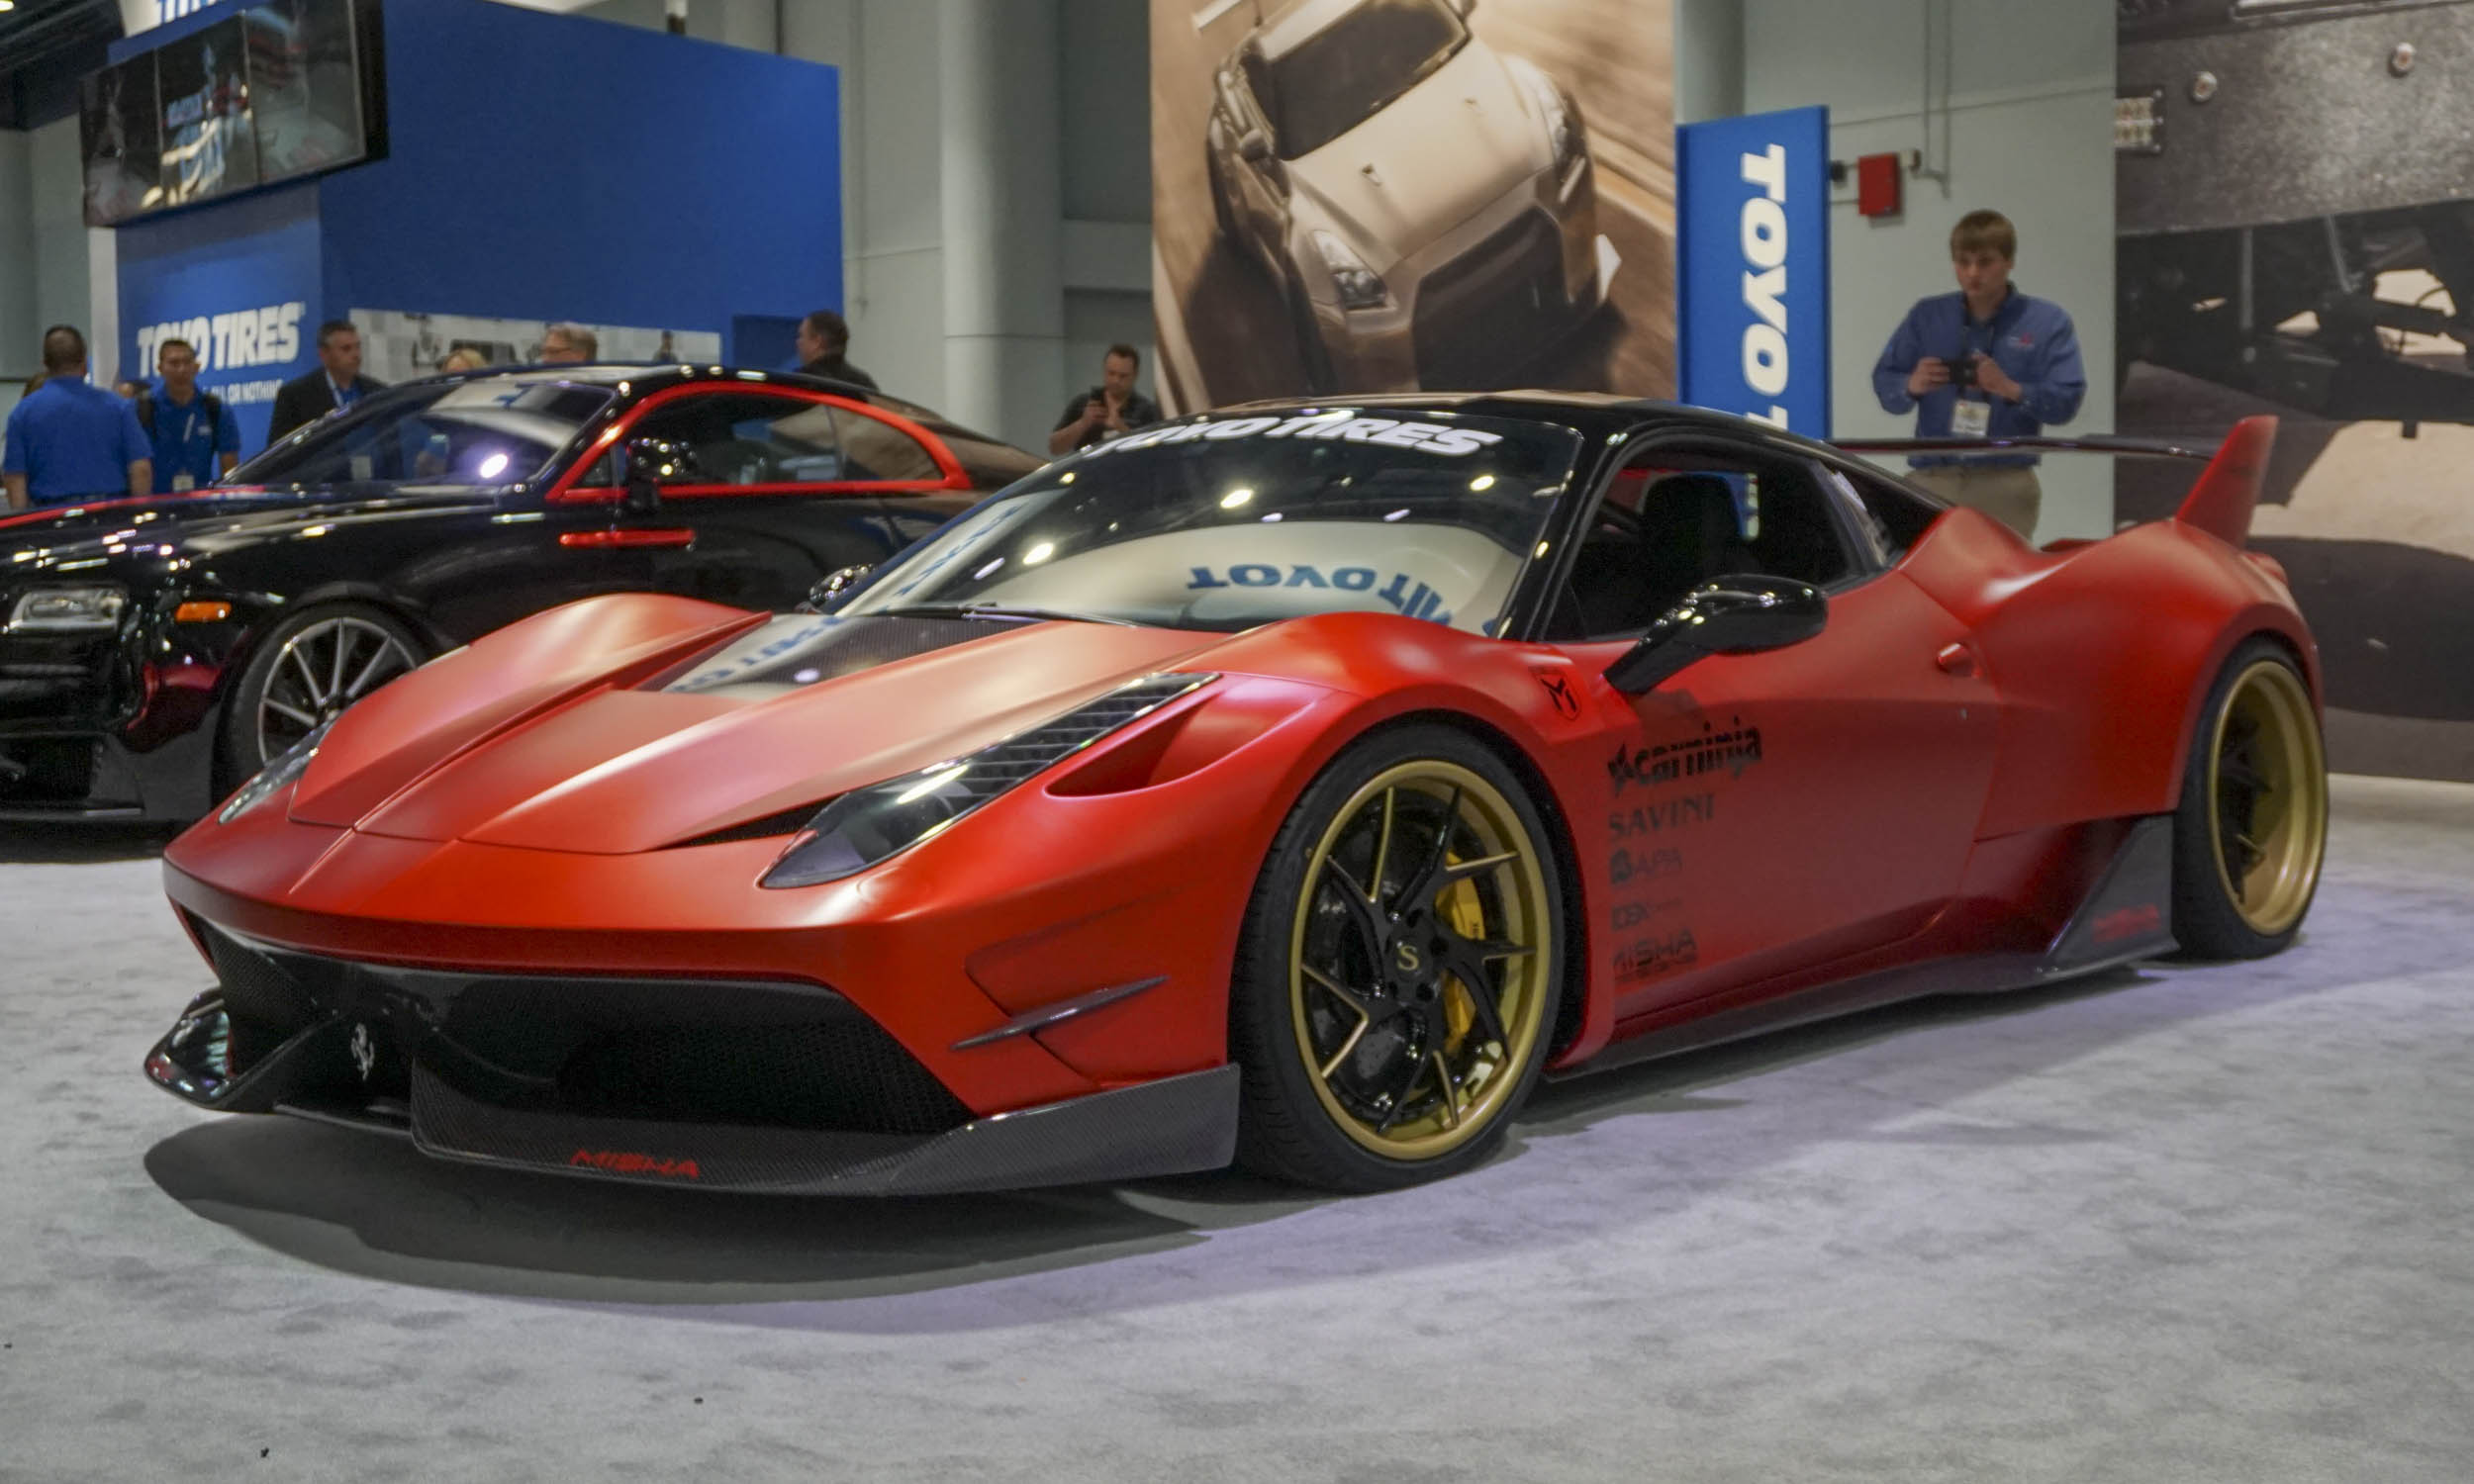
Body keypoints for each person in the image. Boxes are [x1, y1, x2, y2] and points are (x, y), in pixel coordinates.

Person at [1871, 210, 2086, 539]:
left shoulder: (2047, 321)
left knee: (1999, 571)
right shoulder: (1927, 316)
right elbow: (1886, 384)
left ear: (2009, 262)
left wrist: (2011, 389)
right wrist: (1910, 385)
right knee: (1922, 569)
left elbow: (2066, 402)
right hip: (1932, 479)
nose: (1972, 273)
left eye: (1985, 262)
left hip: (2004, 483)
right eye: (1963, 262)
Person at [3, 325, 151, 511]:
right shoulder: (119, 407)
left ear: (45, 364)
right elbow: (141, 469)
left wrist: (25, 521)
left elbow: (15, 478)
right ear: (85, 363)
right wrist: (138, 513)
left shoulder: (22, 413)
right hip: (110, 513)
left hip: (49, 515)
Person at [134, 337, 239, 491]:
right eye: (174, 363)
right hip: (156, 501)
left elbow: (230, 467)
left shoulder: (216, 409)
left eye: (187, 362)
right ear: (160, 368)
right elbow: (135, 465)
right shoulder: (143, 409)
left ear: (196, 367)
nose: (181, 370)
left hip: (201, 501)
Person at [267, 320, 384, 442]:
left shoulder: (377, 391)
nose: (356, 355)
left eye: (357, 347)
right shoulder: (295, 396)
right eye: (346, 349)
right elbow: (280, 447)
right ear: (324, 354)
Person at [1050, 343, 1161, 455]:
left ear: (1135, 375)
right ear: (1104, 370)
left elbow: (1153, 453)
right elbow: (1054, 448)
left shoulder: (1147, 410)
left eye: (1123, 376)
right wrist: (1083, 423)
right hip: (1089, 465)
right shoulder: (1082, 403)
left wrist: (1120, 427)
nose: (1116, 380)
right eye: (1111, 373)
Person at [795, 309, 878, 391]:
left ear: (817, 342)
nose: (797, 342)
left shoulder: (801, 383)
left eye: (801, 336)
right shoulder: (865, 385)